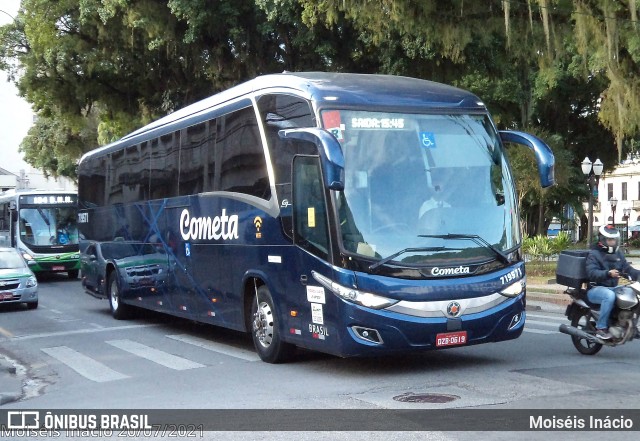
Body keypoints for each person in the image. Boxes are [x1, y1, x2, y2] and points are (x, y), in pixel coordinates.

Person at [585, 224, 640, 340]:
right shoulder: (594, 254)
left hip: (613, 287)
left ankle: (627, 325)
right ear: (603, 240)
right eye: (610, 239)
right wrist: (608, 273)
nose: (613, 242)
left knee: (631, 294)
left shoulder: (618, 254)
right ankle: (601, 328)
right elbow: (592, 273)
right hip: (595, 289)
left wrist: (638, 274)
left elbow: (627, 268)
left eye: (614, 239)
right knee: (609, 296)